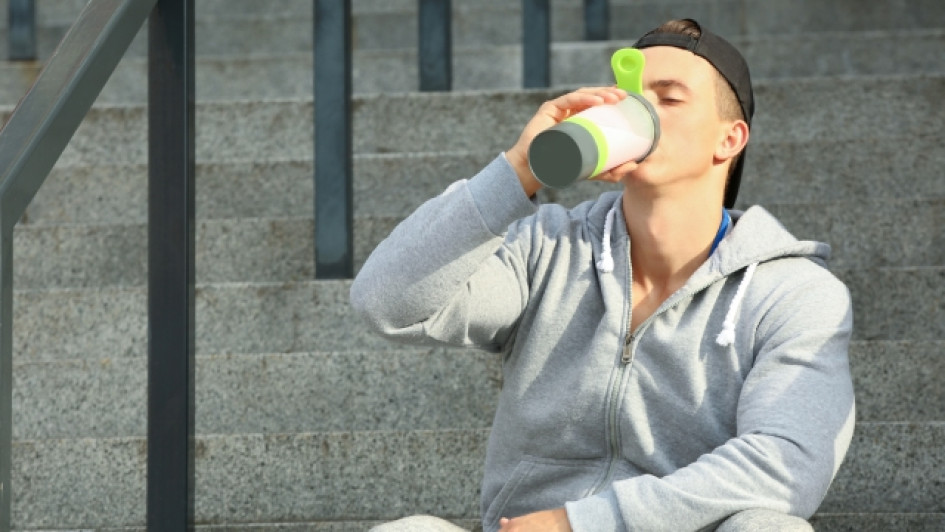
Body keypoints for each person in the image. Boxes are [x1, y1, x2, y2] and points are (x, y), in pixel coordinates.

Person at [351, 18, 855, 532]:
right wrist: (518, 169)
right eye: (629, 96)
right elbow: (385, 302)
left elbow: (788, 462)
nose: (640, 110)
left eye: (669, 97)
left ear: (730, 139)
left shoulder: (792, 293)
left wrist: (579, 523)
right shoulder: (546, 248)